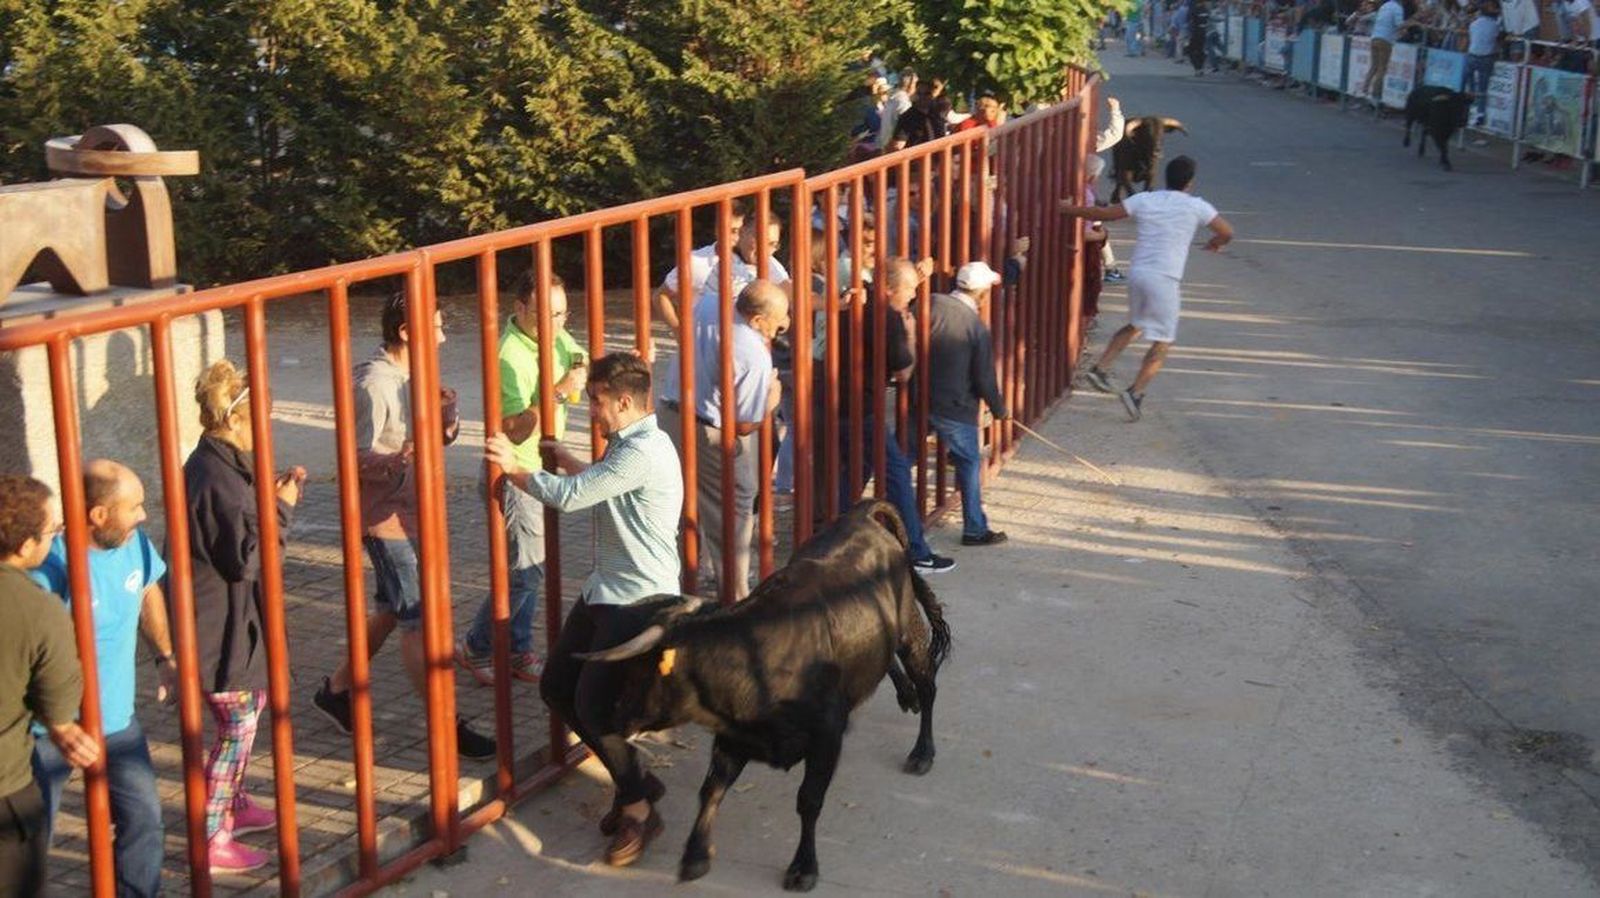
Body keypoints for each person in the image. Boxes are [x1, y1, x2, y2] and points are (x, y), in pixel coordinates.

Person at [484, 352, 683, 868]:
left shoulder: (644, 450)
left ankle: (638, 806)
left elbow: (572, 498)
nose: (589, 410)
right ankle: (635, 780)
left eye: (595, 401)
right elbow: (608, 487)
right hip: (605, 591)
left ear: (623, 402)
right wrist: (574, 463)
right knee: (556, 688)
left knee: (595, 708)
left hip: (639, 600)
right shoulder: (629, 446)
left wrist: (515, 469)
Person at [312, 292, 497, 761]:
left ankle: (335, 690)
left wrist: (447, 416)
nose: (442, 335)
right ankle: (445, 724)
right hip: (385, 518)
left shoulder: (415, 375)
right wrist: (398, 459)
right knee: (419, 620)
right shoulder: (374, 383)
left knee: (394, 611)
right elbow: (354, 458)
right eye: (434, 326)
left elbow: (434, 442)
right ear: (405, 332)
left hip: (415, 511)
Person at [181, 361, 304, 871]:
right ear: (234, 419)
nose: (268, 425)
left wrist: (268, 497)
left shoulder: (222, 463)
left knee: (245, 715)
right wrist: (281, 509)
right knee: (238, 725)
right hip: (219, 628)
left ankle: (233, 802)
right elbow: (248, 558)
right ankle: (212, 834)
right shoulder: (216, 477)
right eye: (263, 415)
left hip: (231, 621)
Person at [30, 460, 174, 898]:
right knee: (29, 840)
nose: (144, 515)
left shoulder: (134, 544)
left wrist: (164, 656)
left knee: (144, 820)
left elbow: (149, 587)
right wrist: (55, 721)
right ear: (98, 515)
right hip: (49, 730)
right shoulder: (50, 566)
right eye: (135, 507)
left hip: (116, 721)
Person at [456, 272, 587, 686]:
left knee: (531, 567)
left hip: (540, 470)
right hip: (517, 473)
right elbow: (512, 428)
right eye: (547, 314)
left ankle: (515, 648)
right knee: (527, 572)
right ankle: (476, 646)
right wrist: (561, 393)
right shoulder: (510, 355)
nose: (558, 323)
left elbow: (577, 353)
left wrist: (580, 367)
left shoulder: (554, 337)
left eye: (563, 313)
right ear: (520, 310)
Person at [1062, 156, 1234, 421]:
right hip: (1164, 279)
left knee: (1137, 323)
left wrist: (1067, 209)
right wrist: (1215, 241)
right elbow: (1227, 231)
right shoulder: (1196, 207)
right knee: (1163, 342)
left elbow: (1105, 214)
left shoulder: (1147, 199)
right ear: (1190, 182)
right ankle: (1136, 393)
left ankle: (1101, 367)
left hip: (1139, 273)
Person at [821, 257, 956, 573]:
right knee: (895, 471)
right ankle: (916, 552)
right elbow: (905, 372)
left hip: (833, 400)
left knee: (856, 469)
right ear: (888, 287)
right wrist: (909, 332)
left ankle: (832, 539)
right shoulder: (889, 317)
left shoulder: (852, 300)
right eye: (909, 289)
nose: (912, 295)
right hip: (862, 406)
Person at [659, 280, 787, 601]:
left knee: (678, 503)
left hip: (670, 413)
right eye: (778, 320)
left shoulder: (709, 303)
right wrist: (770, 402)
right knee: (735, 503)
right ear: (757, 320)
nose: (783, 326)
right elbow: (743, 426)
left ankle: (679, 584)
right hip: (707, 430)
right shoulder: (753, 353)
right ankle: (735, 597)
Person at [0, 475, 96, 898]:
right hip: (7, 789)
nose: (55, 538)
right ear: (25, 546)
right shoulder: (39, 610)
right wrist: (66, 730)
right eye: (51, 532)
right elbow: (58, 703)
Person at [926, 263, 1010, 547]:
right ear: (982, 293)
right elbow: (984, 376)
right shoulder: (976, 327)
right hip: (955, 405)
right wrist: (999, 409)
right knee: (969, 462)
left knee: (902, 456)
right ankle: (974, 528)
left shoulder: (932, 303)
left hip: (920, 398)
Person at [654, 206, 747, 333]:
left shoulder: (756, 262)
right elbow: (660, 296)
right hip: (704, 339)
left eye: (741, 232)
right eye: (732, 231)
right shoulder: (696, 260)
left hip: (743, 338)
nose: (736, 237)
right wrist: (679, 332)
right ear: (717, 229)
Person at [1362, 0, 1410, 105]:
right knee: (1381, 69)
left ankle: (1364, 89)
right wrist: (1411, 24)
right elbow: (1399, 24)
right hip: (1386, 39)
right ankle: (1375, 97)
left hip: (1375, 37)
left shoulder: (1385, 6)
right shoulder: (1397, 8)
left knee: (1374, 66)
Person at [1466, 1, 1502, 127]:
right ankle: (1480, 114)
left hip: (1472, 56)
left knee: (1470, 86)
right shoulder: (1495, 26)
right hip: (1486, 58)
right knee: (1482, 88)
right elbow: (1497, 41)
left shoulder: (1473, 24)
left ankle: (1468, 110)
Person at [878, 68, 917, 153]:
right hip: (894, 151)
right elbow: (904, 131)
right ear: (911, 85)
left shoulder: (892, 99)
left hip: (885, 147)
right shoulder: (904, 103)